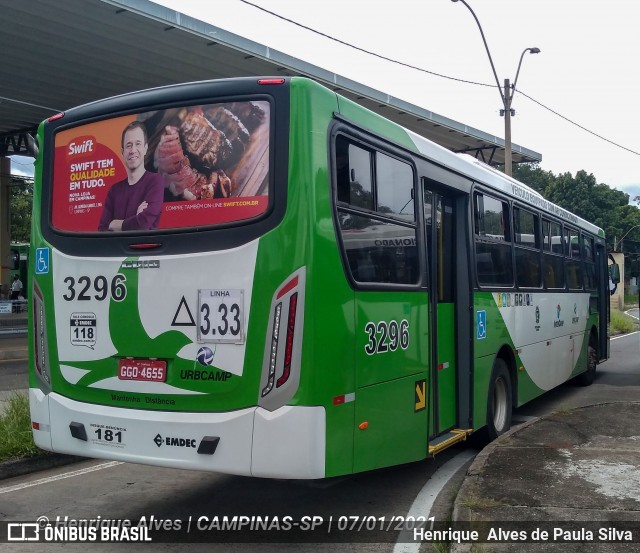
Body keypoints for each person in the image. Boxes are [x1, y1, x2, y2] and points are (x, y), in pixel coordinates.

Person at [98, 121, 164, 231]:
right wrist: (135, 218)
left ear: (145, 148)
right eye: (129, 145)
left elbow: (143, 223)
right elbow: (102, 230)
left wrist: (114, 224)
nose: (133, 150)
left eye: (138, 144)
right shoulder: (114, 190)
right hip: (117, 249)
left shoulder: (155, 181)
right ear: (122, 152)